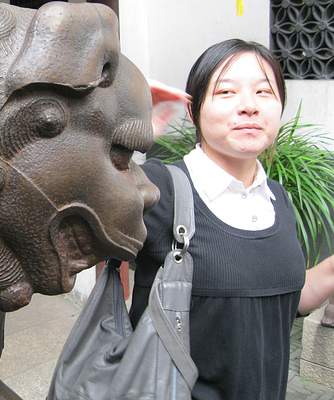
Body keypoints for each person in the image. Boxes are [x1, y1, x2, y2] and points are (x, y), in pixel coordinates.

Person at [131, 39, 334, 400]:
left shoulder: (277, 198)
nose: (250, 106)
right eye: (226, 92)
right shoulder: (160, 188)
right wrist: (119, 128)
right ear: (194, 112)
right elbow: (69, 212)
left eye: (264, 92)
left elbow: (285, 299)